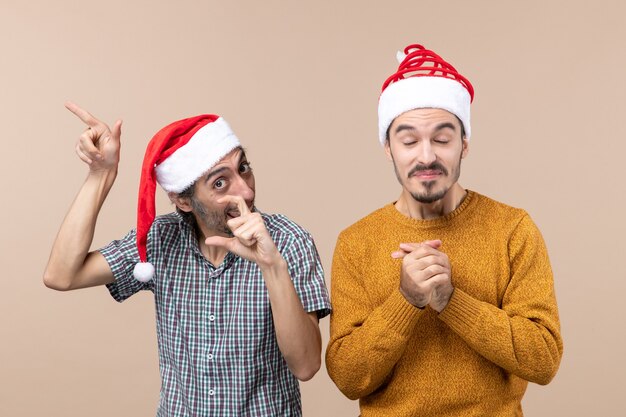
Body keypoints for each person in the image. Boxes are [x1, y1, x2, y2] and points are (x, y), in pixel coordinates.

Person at [44, 104, 331, 416]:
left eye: (243, 168)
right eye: (220, 182)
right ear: (183, 201)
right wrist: (100, 175)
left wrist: (271, 265)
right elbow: (61, 275)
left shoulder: (289, 241)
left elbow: (306, 365)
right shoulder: (162, 238)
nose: (245, 191)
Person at [325, 44, 562, 416]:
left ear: (464, 144)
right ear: (388, 147)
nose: (426, 156)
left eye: (441, 138)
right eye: (408, 140)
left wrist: (451, 300)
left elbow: (543, 360)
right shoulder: (356, 242)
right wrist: (406, 300)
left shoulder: (512, 229)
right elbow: (347, 378)